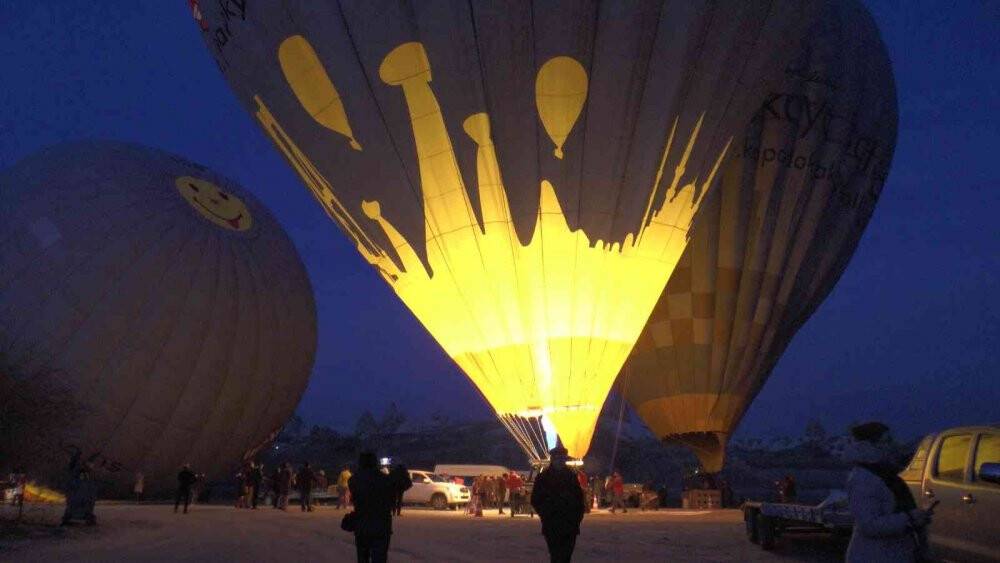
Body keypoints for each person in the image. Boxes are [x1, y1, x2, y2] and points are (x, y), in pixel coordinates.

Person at [844, 422, 932, 563]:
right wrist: (909, 518)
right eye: (886, 441)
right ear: (869, 445)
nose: (892, 445)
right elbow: (869, 525)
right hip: (873, 556)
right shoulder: (864, 478)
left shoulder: (885, 474)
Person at [531, 446, 585, 563]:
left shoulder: (571, 477)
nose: (560, 461)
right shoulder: (543, 478)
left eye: (562, 458)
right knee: (556, 555)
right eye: (558, 458)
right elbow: (535, 499)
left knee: (566, 556)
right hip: (552, 523)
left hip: (570, 524)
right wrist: (547, 515)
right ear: (553, 459)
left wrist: (577, 518)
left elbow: (579, 499)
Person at [349, 451, 394, 563]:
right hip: (381, 525)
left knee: (363, 557)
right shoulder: (385, 479)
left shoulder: (354, 480)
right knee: (380, 557)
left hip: (362, 524)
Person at [61, 454, 97, 526]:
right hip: (79, 495)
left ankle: (74, 516)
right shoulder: (81, 479)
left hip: (79, 495)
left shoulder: (83, 479)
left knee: (79, 499)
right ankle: (76, 515)